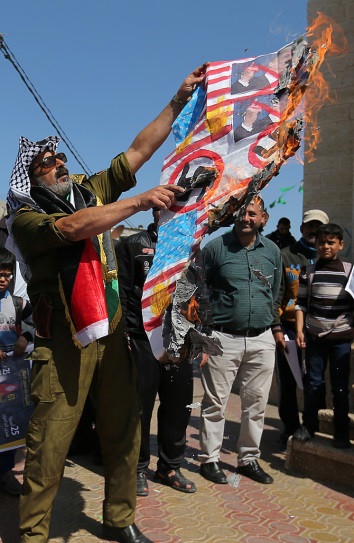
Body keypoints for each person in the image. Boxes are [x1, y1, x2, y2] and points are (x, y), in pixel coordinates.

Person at [6, 63, 208, 543]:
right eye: (47, 161)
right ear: (31, 177)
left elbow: (138, 151)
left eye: (58, 156)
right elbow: (76, 229)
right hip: (62, 347)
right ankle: (33, 535)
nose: (57, 161)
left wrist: (178, 100)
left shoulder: (88, 191)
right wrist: (138, 203)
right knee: (49, 447)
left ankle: (120, 519)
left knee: (124, 429)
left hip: (113, 336)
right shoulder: (27, 218)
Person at [199, 196, 281, 485]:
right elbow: (199, 288)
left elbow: (276, 293)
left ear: (263, 219)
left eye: (251, 213)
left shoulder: (272, 251)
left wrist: (275, 327)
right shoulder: (215, 249)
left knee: (256, 404)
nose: (245, 218)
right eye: (241, 212)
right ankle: (209, 460)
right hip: (222, 338)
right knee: (214, 403)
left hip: (262, 339)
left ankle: (248, 459)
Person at [116, 209, 196, 497]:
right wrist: (123, 334)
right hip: (141, 339)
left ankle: (170, 467)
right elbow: (122, 292)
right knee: (139, 408)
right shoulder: (134, 244)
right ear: (156, 210)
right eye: (168, 208)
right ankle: (136, 468)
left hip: (180, 340)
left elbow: (201, 294)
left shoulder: (192, 247)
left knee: (178, 406)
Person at [272, 209, 329, 450]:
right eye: (309, 226)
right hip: (288, 329)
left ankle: (312, 425)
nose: (313, 231)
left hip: (320, 329)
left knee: (316, 380)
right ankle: (291, 428)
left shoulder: (330, 257)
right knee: (288, 382)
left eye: (318, 227)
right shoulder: (286, 255)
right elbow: (275, 295)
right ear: (302, 228)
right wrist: (275, 326)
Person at [294, 223, 354, 449]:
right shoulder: (308, 272)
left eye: (331, 242)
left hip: (340, 342)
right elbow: (300, 304)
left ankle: (341, 432)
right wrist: (300, 330)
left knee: (340, 388)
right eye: (321, 242)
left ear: (341, 245)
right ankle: (308, 426)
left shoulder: (349, 272)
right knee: (313, 384)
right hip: (315, 339)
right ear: (315, 244)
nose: (325, 246)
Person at [0, 248, 33, 496]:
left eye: (8, 275)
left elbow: (38, 321)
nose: (3, 279)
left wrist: (27, 336)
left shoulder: (18, 303)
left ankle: (5, 474)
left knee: (10, 426)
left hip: (11, 376)